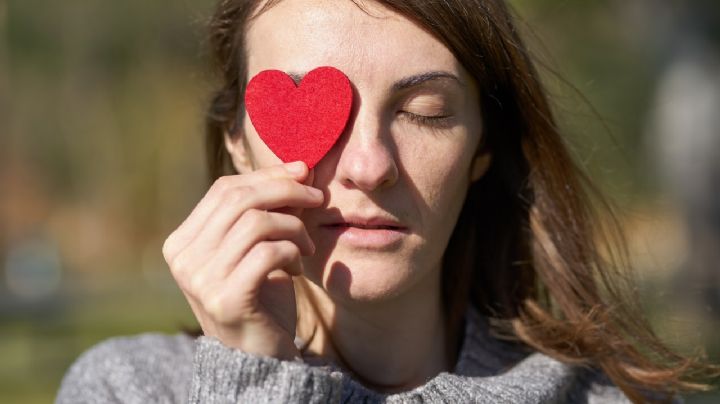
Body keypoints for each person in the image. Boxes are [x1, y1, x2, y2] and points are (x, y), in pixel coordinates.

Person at [56, 0, 718, 403]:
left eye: (425, 112)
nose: (369, 165)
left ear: (484, 145)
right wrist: (251, 380)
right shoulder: (127, 389)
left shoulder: (608, 401)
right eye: (317, 116)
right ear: (238, 140)